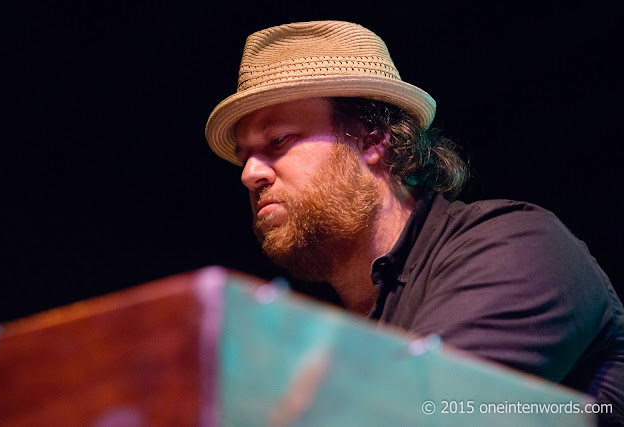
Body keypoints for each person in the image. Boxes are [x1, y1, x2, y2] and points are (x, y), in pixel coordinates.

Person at [205, 20, 624, 424]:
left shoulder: (520, 246)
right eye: (245, 156)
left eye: (278, 141)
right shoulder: (338, 333)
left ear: (373, 140)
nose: (250, 173)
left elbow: (424, 413)